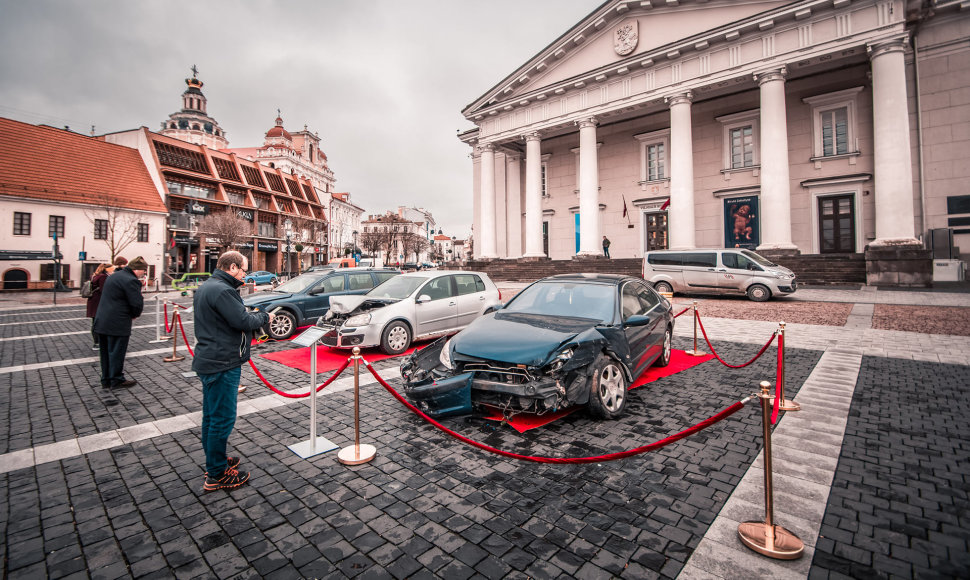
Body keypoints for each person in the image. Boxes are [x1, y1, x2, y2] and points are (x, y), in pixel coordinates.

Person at [193, 251, 271, 493]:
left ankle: (215, 459)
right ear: (233, 267)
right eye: (244, 270)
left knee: (211, 416)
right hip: (222, 361)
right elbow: (242, 322)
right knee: (222, 418)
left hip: (210, 357)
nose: (245, 275)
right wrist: (263, 316)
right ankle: (216, 473)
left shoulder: (209, 286)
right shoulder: (224, 290)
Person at [93, 256, 146, 389]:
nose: (144, 273)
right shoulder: (131, 281)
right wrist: (134, 315)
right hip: (118, 322)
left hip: (102, 320)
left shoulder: (114, 276)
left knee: (105, 352)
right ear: (136, 269)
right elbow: (136, 303)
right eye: (143, 270)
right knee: (117, 351)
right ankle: (116, 379)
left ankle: (106, 379)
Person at [85, 263, 114, 350]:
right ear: (106, 269)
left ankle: (96, 342)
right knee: (100, 323)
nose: (113, 270)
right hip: (99, 302)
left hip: (93, 301)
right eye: (112, 269)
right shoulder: (103, 277)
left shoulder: (94, 276)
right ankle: (98, 343)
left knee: (95, 322)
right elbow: (104, 290)